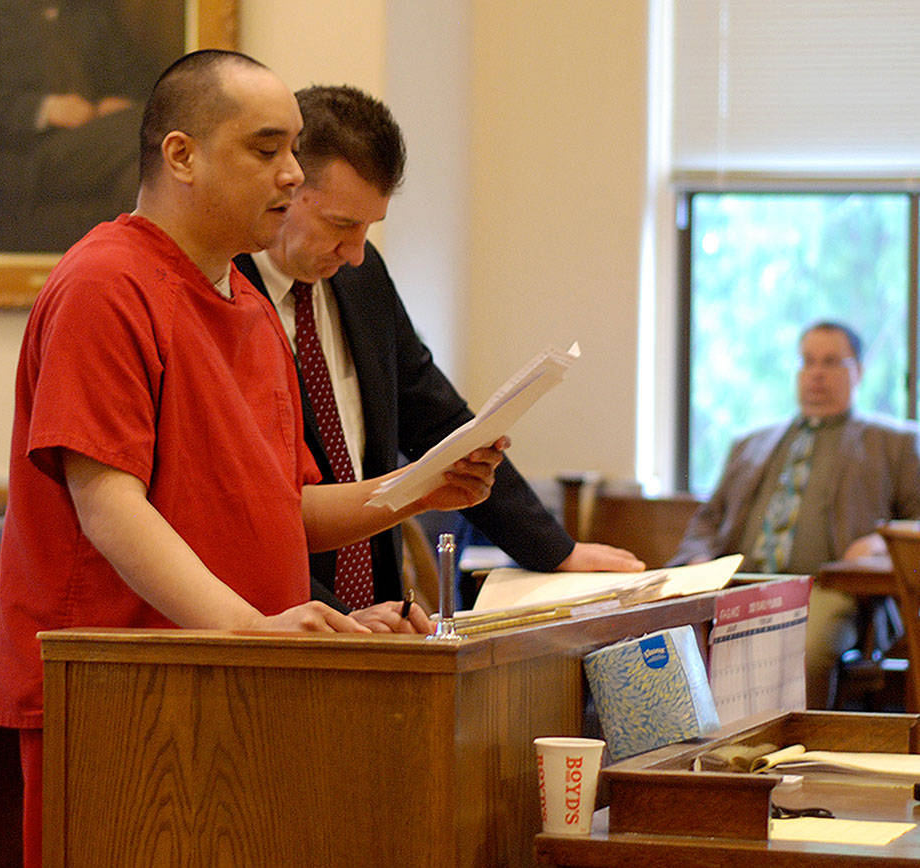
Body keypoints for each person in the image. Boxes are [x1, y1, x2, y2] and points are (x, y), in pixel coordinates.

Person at [0, 51, 505, 867]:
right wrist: (256, 630)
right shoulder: (105, 284)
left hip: (242, 683)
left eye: (294, 149)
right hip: (124, 696)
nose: (292, 174)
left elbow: (282, 510)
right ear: (182, 155)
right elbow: (109, 505)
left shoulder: (251, 307)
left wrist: (417, 490)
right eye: (267, 150)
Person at [232, 85, 644, 630]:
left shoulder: (362, 278)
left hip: (378, 615)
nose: (355, 252)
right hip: (280, 619)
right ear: (286, 187)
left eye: (369, 228)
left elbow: (439, 423)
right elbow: (239, 515)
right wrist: (339, 619)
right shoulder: (223, 289)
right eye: (341, 225)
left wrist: (555, 552)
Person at [670, 320, 920, 707]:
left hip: (831, 591)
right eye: (808, 361)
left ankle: (795, 744)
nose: (816, 373)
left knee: (805, 648)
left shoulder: (895, 443)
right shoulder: (751, 444)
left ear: (858, 371)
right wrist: (698, 561)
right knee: (662, 637)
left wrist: (877, 542)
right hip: (739, 587)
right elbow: (708, 520)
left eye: (831, 362)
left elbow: (915, 522)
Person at [0, 0, 162, 252]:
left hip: (101, 148)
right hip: (30, 160)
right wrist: (46, 109)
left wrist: (121, 104)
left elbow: (140, 81)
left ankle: (132, 261)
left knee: (141, 171)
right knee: (152, 125)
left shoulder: (94, 18)